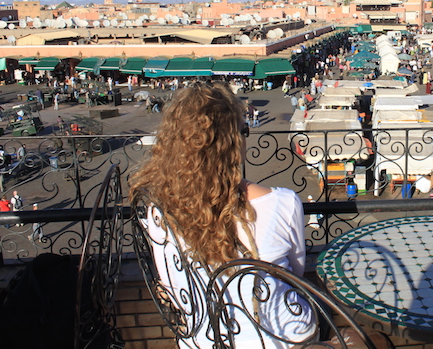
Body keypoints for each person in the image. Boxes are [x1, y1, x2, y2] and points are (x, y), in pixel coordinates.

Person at [129, 82, 315, 347]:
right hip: (282, 338)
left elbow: (172, 287)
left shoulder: (159, 212)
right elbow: (296, 274)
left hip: (203, 340)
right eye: (243, 131)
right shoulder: (281, 203)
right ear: (232, 143)